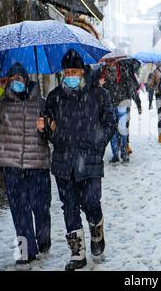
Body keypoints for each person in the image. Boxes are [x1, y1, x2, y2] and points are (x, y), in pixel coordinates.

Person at [38, 49, 117, 271]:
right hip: (63, 162)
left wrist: (98, 143)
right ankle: (77, 253)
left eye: (74, 71)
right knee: (69, 208)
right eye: (67, 71)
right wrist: (46, 129)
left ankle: (97, 233)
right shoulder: (54, 97)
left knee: (92, 204)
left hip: (90, 161)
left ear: (82, 72)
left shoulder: (99, 95)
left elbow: (111, 123)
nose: (70, 75)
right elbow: (50, 132)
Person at [0, 63, 51, 265]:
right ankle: (25, 251)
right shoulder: (3, 103)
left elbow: (52, 130)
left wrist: (45, 126)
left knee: (40, 207)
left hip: (37, 163)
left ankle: (43, 240)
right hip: (11, 164)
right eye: (11, 79)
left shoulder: (41, 102)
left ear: (26, 79)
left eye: (18, 79)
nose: (15, 83)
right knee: (19, 210)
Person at [100, 59, 142, 163]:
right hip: (109, 105)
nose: (110, 63)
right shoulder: (102, 73)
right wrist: (99, 84)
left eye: (112, 61)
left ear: (116, 61)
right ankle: (115, 155)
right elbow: (98, 90)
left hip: (123, 103)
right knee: (113, 131)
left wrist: (138, 103)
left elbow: (131, 88)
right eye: (109, 61)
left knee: (123, 129)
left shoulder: (123, 71)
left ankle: (124, 152)